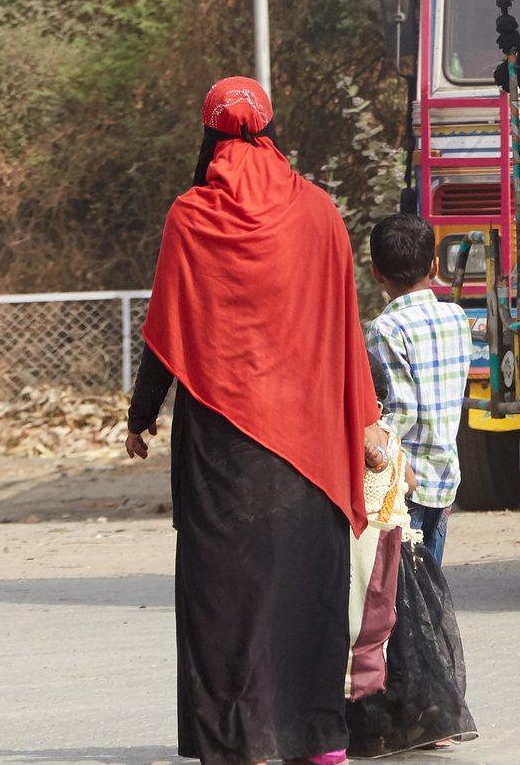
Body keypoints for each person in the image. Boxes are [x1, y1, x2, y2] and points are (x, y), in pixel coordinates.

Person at [126, 78, 379, 765]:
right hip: (312, 442)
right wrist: (364, 417)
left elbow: (164, 331)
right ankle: (319, 739)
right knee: (308, 586)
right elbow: (345, 329)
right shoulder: (320, 212)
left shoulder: (190, 215)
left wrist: (139, 417)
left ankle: (240, 743)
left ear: (208, 135)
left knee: (226, 597)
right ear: (270, 130)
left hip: (222, 449)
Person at [361, 212, 475, 567]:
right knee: (428, 592)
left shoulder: (386, 328)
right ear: (435, 266)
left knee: (396, 602)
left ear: (376, 272)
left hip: (403, 485)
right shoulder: (457, 317)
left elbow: (400, 411)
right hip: (444, 480)